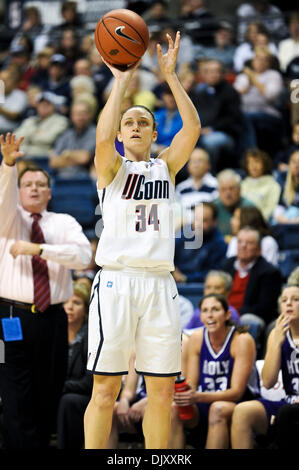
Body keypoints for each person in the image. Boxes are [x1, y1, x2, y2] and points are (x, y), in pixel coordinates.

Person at [83, 31, 201, 450]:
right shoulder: (110, 169)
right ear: (121, 133)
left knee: (162, 394)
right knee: (104, 390)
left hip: (158, 285)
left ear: (154, 134)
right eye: (128, 123)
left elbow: (193, 128)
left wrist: (170, 77)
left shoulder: (165, 167)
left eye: (143, 123)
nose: (135, 127)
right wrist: (120, 81)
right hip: (116, 282)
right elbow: (100, 139)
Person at [0, 133, 92, 449]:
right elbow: (2, 201)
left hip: (54, 316)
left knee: (48, 388)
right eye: (28, 184)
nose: (35, 188)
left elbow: (83, 256)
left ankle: (39, 445)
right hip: (11, 315)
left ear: (50, 192)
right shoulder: (7, 219)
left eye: (41, 184)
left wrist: (39, 249)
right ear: (19, 191)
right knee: (13, 388)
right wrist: (9, 164)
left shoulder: (62, 222)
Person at [169, 293, 259, 449]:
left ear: (227, 314)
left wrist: (198, 396)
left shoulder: (242, 339)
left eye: (215, 309)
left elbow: (237, 392)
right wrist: (185, 394)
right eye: (205, 310)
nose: (209, 315)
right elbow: (192, 382)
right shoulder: (196, 338)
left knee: (217, 409)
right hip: (204, 400)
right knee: (173, 409)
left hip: (238, 403)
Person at [231, 284, 299, 449]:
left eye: (296, 299)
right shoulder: (277, 334)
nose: (288, 304)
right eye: (284, 300)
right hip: (289, 401)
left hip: (291, 409)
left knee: (286, 414)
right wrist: (276, 344)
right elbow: (268, 381)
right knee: (243, 411)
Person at [222, 226, 282, 351]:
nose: (243, 246)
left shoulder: (269, 272)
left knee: (248, 319)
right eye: (240, 242)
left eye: (249, 243)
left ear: (259, 249)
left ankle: (248, 358)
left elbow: (266, 308)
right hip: (225, 313)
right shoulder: (226, 265)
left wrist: (235, 313)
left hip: (247, 316)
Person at [56, 281, 93, 449]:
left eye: (76, 303)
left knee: (68, 401)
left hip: (85, 395)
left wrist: (58, 387)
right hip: (59, 392)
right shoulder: (54, 333)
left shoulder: (91, 336)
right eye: (66, 302)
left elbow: (89, 383)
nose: (69, 307)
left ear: (85, 309)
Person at [190, 59, 243, 173]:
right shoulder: (199, 92)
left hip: (224, 133)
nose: (213, 74)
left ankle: (209, 174)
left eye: (216, 71)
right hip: (200, 131)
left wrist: (212, 129)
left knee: (211, 142)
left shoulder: (231, 92)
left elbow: (233, 119)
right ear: (203, 74)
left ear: (222, 73)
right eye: (209, 71)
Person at [234, 46, 285, 156]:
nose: (260, 62)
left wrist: (254, 79)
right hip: (244, 113)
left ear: (269, 63)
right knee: (240, 118)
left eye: (264, 59)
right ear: (253, 61)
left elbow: (270, 96)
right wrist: (248, 83)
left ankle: (252, 154)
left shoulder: (273, 75)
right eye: (258, 58)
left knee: (246, 118)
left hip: (268, 115)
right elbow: (235, 97)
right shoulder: (243, 77)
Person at [173, 202, 227, 283]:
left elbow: (213, 273)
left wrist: (186, 278)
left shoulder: (219, 244)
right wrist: (173, 271)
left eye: (204, 220)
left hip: (200, 287)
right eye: (196, 219)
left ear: (214, 222)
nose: (198, 224)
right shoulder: (183, 234)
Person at [14, 90, 69, 158]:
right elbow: (16, 137)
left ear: (54, 106)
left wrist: (29, 137)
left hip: (44, 158)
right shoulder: (30, 120)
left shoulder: (61, 121)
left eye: (48, 103)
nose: (43, 106)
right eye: (41, 103)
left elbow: (47, 139)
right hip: (23, 155)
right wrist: (36, 134)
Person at [49, 100, 96, 178]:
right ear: (72, 116)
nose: (80, 117)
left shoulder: (94, 133)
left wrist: (67, 154)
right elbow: (53, 162)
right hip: (62, 179)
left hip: (84, 178)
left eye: (83, 113)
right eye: (77, 114)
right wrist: (75, 158)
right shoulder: (66, 134)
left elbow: (84, 158)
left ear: (89, 115)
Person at [175, 148, 218, 219]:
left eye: (200, 161)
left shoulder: (216, 185)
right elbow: (177, 212)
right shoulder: (180, 188)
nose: (196, 164)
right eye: (193, 161)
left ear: (208, 165)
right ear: (188, 166)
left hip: (207, 226)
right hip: (185, 227)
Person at [240, 148, 281, 220]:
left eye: (257, 162)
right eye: (250, 162)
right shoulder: (241, 185)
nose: (253, 165)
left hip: (261, 223)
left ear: (264, 164)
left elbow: (270, 209)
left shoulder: (273, 186)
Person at [214, 169, 254, 240]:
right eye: (223, 189)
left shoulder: (249, 208)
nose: (228, 193)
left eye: (231, 189)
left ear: (239, 190)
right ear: (218, 191)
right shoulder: (213, 207)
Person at [273, 150, 299, 224]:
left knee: (294, 211)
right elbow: (279, 205)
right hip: (287, 220)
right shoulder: (282, 178)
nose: (296, 166)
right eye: (294, 162)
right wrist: (285, 220)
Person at [0, 67, 28, 134]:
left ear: (13, 81)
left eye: (4, 80)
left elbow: (14, 116)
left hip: (7, 133)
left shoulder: (20, 95)